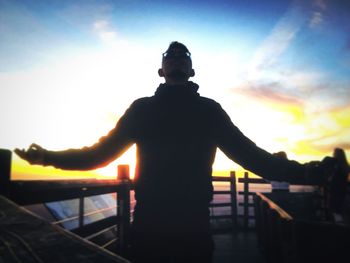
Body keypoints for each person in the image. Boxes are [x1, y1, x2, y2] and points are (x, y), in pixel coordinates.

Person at [15, 41, 334, 263]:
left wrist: (305, 172)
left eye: (184, 56)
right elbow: (99, 155)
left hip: (193, 224)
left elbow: (250, 156)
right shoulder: (141, 110)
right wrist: (47, 157)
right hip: (149, 224)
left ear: (192, 70)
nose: (178, 58)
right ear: (161, 69)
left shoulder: (210, 111)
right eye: (171, 55)